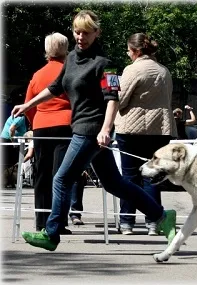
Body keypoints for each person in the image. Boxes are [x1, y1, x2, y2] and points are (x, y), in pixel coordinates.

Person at [11, 10, 176, 251]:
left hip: (91, 130)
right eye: (77, 31)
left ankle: (51, 233)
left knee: (62, 178)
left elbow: (112, 98)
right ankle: (162, 216)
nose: (80, 36)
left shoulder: (104, 64)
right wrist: (28, 104)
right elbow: (56, 88)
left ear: (97, 33)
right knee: (115, 184)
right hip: (80, 127)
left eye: (86, 33)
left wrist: (106, 128)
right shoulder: (69, 60)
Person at [114, 32, 177, 236]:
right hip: (160, 130)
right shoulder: (164, 71)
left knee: (130, 176)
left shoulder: (132, 70)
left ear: (136, 51)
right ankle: (153, 221)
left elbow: (120, 100)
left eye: (128, 50)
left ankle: (126, 222)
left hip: (132, 129)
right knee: (153, 176)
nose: (127, 53)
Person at [23, 32, 84, 232]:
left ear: (47, 50)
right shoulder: (71, 70)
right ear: (66, 48)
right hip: (67, 125)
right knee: (62, 175)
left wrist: (35, 123)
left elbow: (29, 105)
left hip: (42, 125)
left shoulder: (38, 74)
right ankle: (58, 221)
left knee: (42, 174)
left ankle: (41, 220)